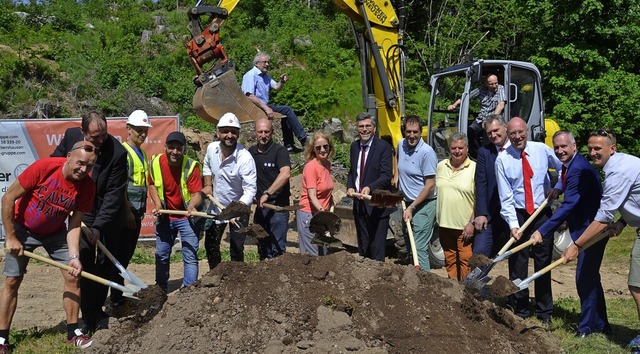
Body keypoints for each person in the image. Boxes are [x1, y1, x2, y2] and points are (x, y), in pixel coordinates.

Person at [0, 141, 98, 351]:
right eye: (80, 163)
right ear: (69, 156)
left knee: (73, 275)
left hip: (55, 233)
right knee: (12, 280)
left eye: (89, 166)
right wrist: (11, 237)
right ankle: (2, 338)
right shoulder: (44, 168)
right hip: (22, 230)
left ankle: (73, 333)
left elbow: (74, 223)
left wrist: (73, 256)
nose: (83, 170)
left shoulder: (87, 187)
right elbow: (8, 199)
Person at [51, 111, 128, 333]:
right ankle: (87, 317)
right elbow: (55, 162)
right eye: (95, 137)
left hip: (104, 211)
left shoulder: (117, 153)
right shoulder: (71, 136)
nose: (101, 141)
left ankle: (97, 310)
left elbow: (114, 195)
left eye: (104, 135)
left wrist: (98, 227)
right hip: (79, 208)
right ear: (84, 132)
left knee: (103, 266)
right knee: (83, 261)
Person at [561, 128, 640, 345]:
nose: (593, 152)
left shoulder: (619, 171)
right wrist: (623, 222)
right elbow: (633, 198)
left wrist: (576, 245)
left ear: (612, 149)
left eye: (599, 148)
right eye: (591, 148)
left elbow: (604, 216)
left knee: (637, 286)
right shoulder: (623, 163)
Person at [528, 130, 607, 337]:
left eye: (564, 146)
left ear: (574, 146)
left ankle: (587, 328)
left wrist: (542, 232)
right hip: (584, 227)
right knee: (591, 277)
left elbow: (569, 205)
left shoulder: (578, 169)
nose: (560, 150)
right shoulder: (571, 166)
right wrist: (558, 187)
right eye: (557, 147)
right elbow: (566, 178)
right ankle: (600, 322)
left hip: (592, 230)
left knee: (585, 278)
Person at [495, 117, 562, 325]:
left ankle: (544, 312)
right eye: (513, 134)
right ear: (507, 134)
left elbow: (564, 168)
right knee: (518, 265)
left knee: (543, 262)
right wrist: (513, 225)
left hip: (541, 214)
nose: (517, 137)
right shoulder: (502, 160)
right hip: (519, 215)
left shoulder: (542, 149)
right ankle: (520, 309)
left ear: (527, 131)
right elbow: (505, 197)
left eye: (521, 132)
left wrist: (558, 186)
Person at [148, 131, 203, 292]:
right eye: (171, 147)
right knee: (162, 255)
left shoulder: (191, 166)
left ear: (184, 149)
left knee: (190, 256)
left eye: (179, 148)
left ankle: (188, 291)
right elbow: (151, 184)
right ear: (165, 147)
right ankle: (160, 289)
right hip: (165, 216)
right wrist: (157, 204)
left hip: (186, 216)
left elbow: (196, 193)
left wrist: (192, 207)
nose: (175, 152)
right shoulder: (156, 163)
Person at [202, 113, 257, 269]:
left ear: (238, 134)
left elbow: (250, 189)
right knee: (211, 244)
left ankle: (236, 278)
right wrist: (208, 184)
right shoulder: (212, 149)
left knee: (237, 246)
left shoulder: (245, 158)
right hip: (217, 206)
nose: (229, 135)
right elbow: (206, 165)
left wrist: (237, 209)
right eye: (225, 131)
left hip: (239, 207)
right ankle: (215, 274)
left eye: (233, 132)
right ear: (218, 132)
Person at [110, 109, 152, 309]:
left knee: (125, 256)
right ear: (128, 129)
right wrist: (127, 212)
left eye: (145, 130)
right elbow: (121, 187)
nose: (142, 134)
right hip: (126, 214)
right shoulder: (123, 152)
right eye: (138, 130)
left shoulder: (142, 153)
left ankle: (117, 295)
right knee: (120, 256)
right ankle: (116, 298)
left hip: (137, 212)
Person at [346, 112, 394, 261]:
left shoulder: (383, 147)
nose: (364, 129)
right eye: (361, 126)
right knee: (364, 247)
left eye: (368, 126)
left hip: (378, 203)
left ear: (374, 128)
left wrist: (370, 187)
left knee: (377, 249)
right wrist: (350, 186)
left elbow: (386, 175)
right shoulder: (354, 146)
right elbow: (352, 172)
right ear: (357, 128)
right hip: (360, 204)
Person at [242, 52, 308, 153]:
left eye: (268, 62)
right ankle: (304, 140)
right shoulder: (250, 75)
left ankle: (289, 145)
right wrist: (266, 108)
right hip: (254, 107)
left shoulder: (265, 76)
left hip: (263, 106)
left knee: (285, 113)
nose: (267, 65)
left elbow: (276, 87)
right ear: (256, 64)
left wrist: (282, 82)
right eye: (264, 62)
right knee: (287, 110)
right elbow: (249, 95)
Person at [395, 115, 437, 270]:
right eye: (408, 132)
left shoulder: (427, 153)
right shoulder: (401, 144)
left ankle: (425, 283)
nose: (411, 136)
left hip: (424, 204)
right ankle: (414, 280)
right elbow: (397, 157)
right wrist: (396, 175)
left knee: (418, 247)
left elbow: (430, 185)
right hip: (407, 202)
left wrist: (412, 207)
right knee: (408, 244)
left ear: (421, 132)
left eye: (415, 132)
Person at [249, 118, 292, 259]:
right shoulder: (251, 152)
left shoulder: (280, 151)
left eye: (266, 131)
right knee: (262, 247)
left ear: (272, 132)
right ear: (255, 133)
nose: (263, 135)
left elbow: (285, 174)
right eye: (260, 132)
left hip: (278, 208)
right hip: (261, 209)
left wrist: (268, 193)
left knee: (277, 249)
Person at [436, 133, 476, 280]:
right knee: (450, 259)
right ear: (449, 149)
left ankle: (466, 292)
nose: (457, 151)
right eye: (453, 148)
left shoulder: (474, 168)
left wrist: (471, 223)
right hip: (444, 225)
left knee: (466, 261)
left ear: (467, 149)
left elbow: (478, 199)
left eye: (460, 148)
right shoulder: (441, 166)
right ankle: (453, 288)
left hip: (464, 227)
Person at [473, 114, 510, 257]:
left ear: (505, 128)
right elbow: (481, 183)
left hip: (513, 213)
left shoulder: (516, 150)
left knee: (515, 256)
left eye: (496, 130)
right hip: (490, 212)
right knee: (479, 253)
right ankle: (478, 280)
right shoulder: (484, 153)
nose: (493, 135)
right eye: (489, 133)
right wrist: (481, 213)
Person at [296, 131, 335, 256]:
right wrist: (324, 215)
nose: (322, 150)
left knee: (323, 251)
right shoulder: (311, 167)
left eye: (325, 146)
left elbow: (328, 192)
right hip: (309, 215)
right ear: (313, 150)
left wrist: (331, 210)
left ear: (330, 147)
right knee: (311, 255)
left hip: (322, 214)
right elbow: (312, 196)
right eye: (318, 148)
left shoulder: (327, 165)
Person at [448, 74, 506, 150]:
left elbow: (501, 105)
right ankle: (475, 153)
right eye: (491, 84)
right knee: (467, 134)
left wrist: (491, 120)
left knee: (487, 142)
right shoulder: (482, 89)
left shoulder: (500, 89)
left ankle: (483, 156)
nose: (495, 86)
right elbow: (467, 96)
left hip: (491, 122)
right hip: (480, 119)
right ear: (486, 84)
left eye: (496, 83)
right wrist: (454, 105)